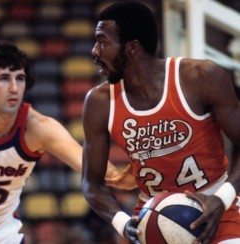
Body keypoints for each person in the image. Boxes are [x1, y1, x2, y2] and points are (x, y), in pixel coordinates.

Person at [0, 40, 134, 243]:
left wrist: (129, 176)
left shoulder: (37, 127)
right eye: (4, 78)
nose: (14, 88)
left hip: (4, 238)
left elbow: (92, 166)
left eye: (20, 78)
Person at [81, 1, 240, 244]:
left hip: (215, 204)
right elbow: (91, 183)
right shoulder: (99, 102)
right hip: (151, 214)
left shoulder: (199, 77)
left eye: (103, 42)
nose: (95, 51)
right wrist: (123, 223)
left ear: (132, 48)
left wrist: (223, 198)